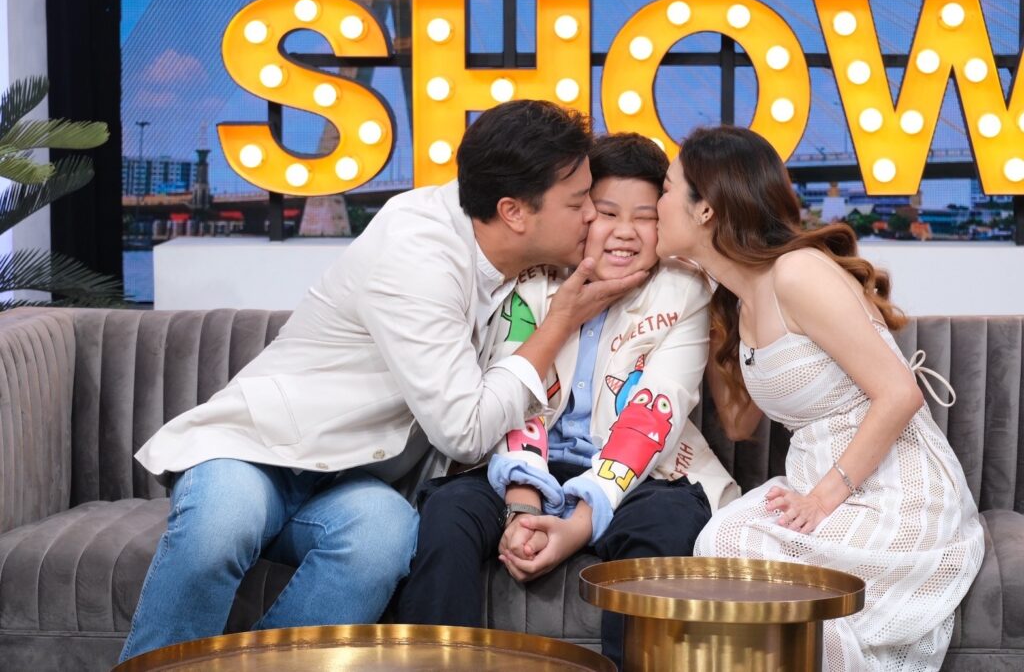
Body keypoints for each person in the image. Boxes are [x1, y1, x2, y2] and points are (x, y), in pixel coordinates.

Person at [118, 100, 647, 661]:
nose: (593, 216)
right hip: (263, 448)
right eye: (579, 203)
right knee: (222, 523)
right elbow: (465, 431)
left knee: (382, 538)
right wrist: (560, 322)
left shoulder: (523, 255)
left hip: (356, 480)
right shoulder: (417, 252)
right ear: (513, 211)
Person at [397, 133, 738, 668]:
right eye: (606, 213)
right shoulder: (532, 278)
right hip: (521, 465)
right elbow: (513, 390)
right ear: (581, 215)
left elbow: (656, 410)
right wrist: (523, 506)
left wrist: (578, 525)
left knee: (665, 528)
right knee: (448, 513)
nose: (624, 232)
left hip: (641, 472)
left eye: (645, 216)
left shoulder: (684, 291)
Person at [656, 125, 983, 671]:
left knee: (737, 549)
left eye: (666, 190)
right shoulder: (738, 302)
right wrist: (703, 312)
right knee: (719, 541)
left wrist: (822, 501)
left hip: (892, 483)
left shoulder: (797, 272)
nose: (655, 206)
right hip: (814, 477)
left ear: (705, 208)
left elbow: (899, 394)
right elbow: (737, 425)